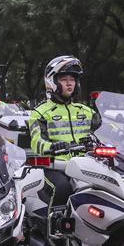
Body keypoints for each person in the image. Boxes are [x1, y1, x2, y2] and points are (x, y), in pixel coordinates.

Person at [28, 55, 100, 212]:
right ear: (52, 82)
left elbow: (108, 131)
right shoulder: (40, 113)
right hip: (56, 167)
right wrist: (52, 147)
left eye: (73, 79)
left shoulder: (87, 112)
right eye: (64, 79)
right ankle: (56, 230)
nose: (69, 83)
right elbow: (36, 142)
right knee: (61, 189)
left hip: (86, 165)